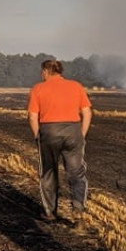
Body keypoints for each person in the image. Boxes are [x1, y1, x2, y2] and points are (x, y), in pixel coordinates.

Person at [27, 59, 91, 222]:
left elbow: (33, 116)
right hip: (73, 131)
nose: (41, 75)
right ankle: (78, 209)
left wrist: (37, 135)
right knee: (76, 171)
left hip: (49, 132)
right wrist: (81, 134)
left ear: (47, 71)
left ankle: (50, 212)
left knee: (48, 172)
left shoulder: (38, 88)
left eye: (42, 72)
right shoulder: (76, 86)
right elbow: (87, 112)